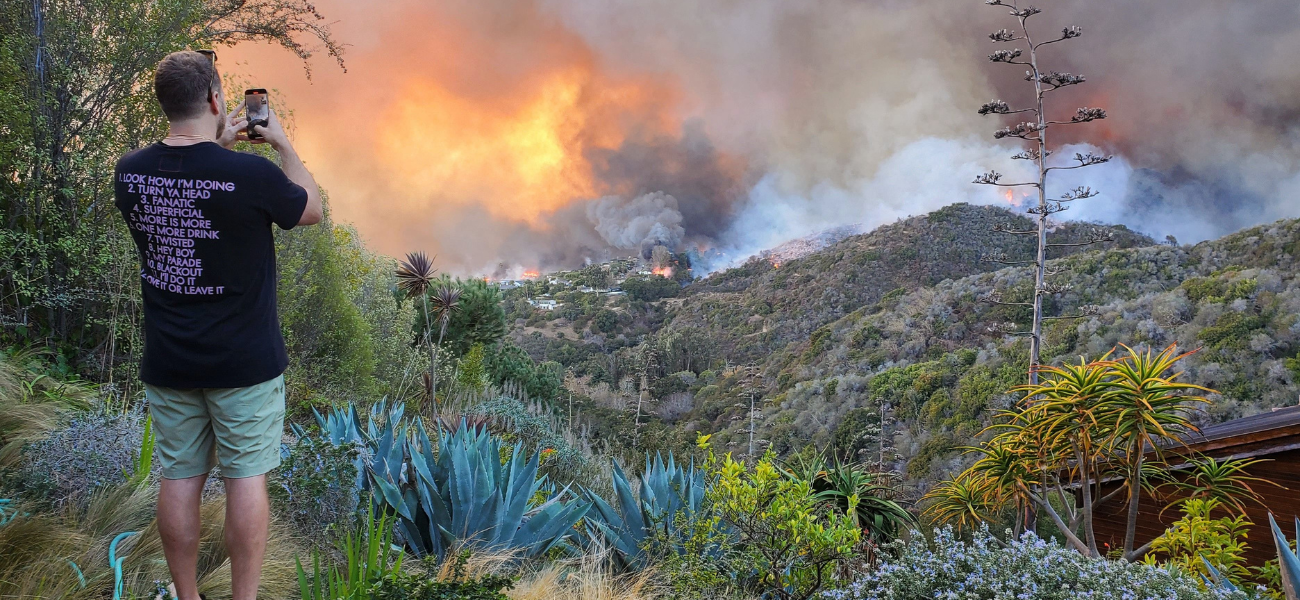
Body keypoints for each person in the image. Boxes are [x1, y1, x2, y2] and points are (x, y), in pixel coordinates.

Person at [113, 50, 323, 600]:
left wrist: (215, 149)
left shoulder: (129, 171)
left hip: (170, 359)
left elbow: (187, 196)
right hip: (244, 364)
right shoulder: (250, 173)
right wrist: (281, 142)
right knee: (245, 479)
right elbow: (311, 209)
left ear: (165, 102)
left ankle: (188, 596)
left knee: (179, 478)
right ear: (215, 99)